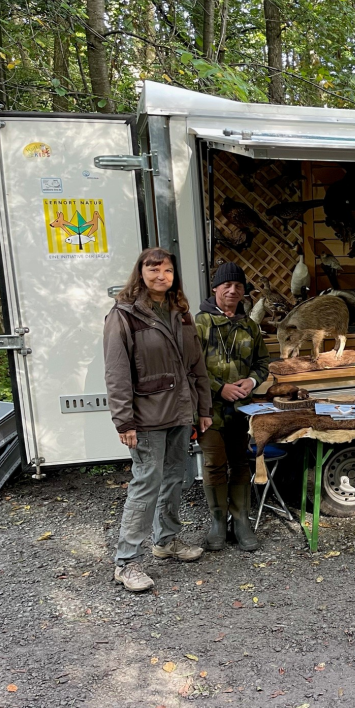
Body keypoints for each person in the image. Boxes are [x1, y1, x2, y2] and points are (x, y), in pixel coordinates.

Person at [104, 248, 213, 592]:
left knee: (175, 480)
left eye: (166, 270)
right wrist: (124, 421)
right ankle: (126, 562)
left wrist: (204, 409)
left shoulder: (180, 313)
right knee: (145, 486)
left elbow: (196, 366)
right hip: (146, 417)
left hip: (180, 413)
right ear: (140, 273)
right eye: (153, 270)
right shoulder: (124, 315)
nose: (160, 276)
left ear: (173, 276)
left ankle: (166, 541)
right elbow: (117, 373)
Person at [195, 262, 271, 552]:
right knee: (214, 463)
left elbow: (262, 364)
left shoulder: (250, 326)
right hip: (207, 410)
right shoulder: (199, 323)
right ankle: (217, 521)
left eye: (238, 286)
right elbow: (192, 367)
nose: (232, 290)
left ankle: (240, 521)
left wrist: (251, 381)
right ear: (215, 288)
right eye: (226, 285)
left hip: (242, 409)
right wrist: (220, 387)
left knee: (241, 463)